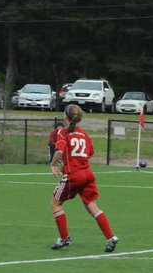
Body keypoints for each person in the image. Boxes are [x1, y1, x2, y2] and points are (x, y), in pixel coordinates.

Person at [49, 104, 118, 252]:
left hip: (74, 174)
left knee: (55, 203)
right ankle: (110, 237)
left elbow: (59, 151)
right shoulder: (84, 134)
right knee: (91, 205)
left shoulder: (63, 132)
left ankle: (64, 238)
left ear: (66, 116)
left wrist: (53, 164)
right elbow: (89, 153)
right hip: (87, 173)